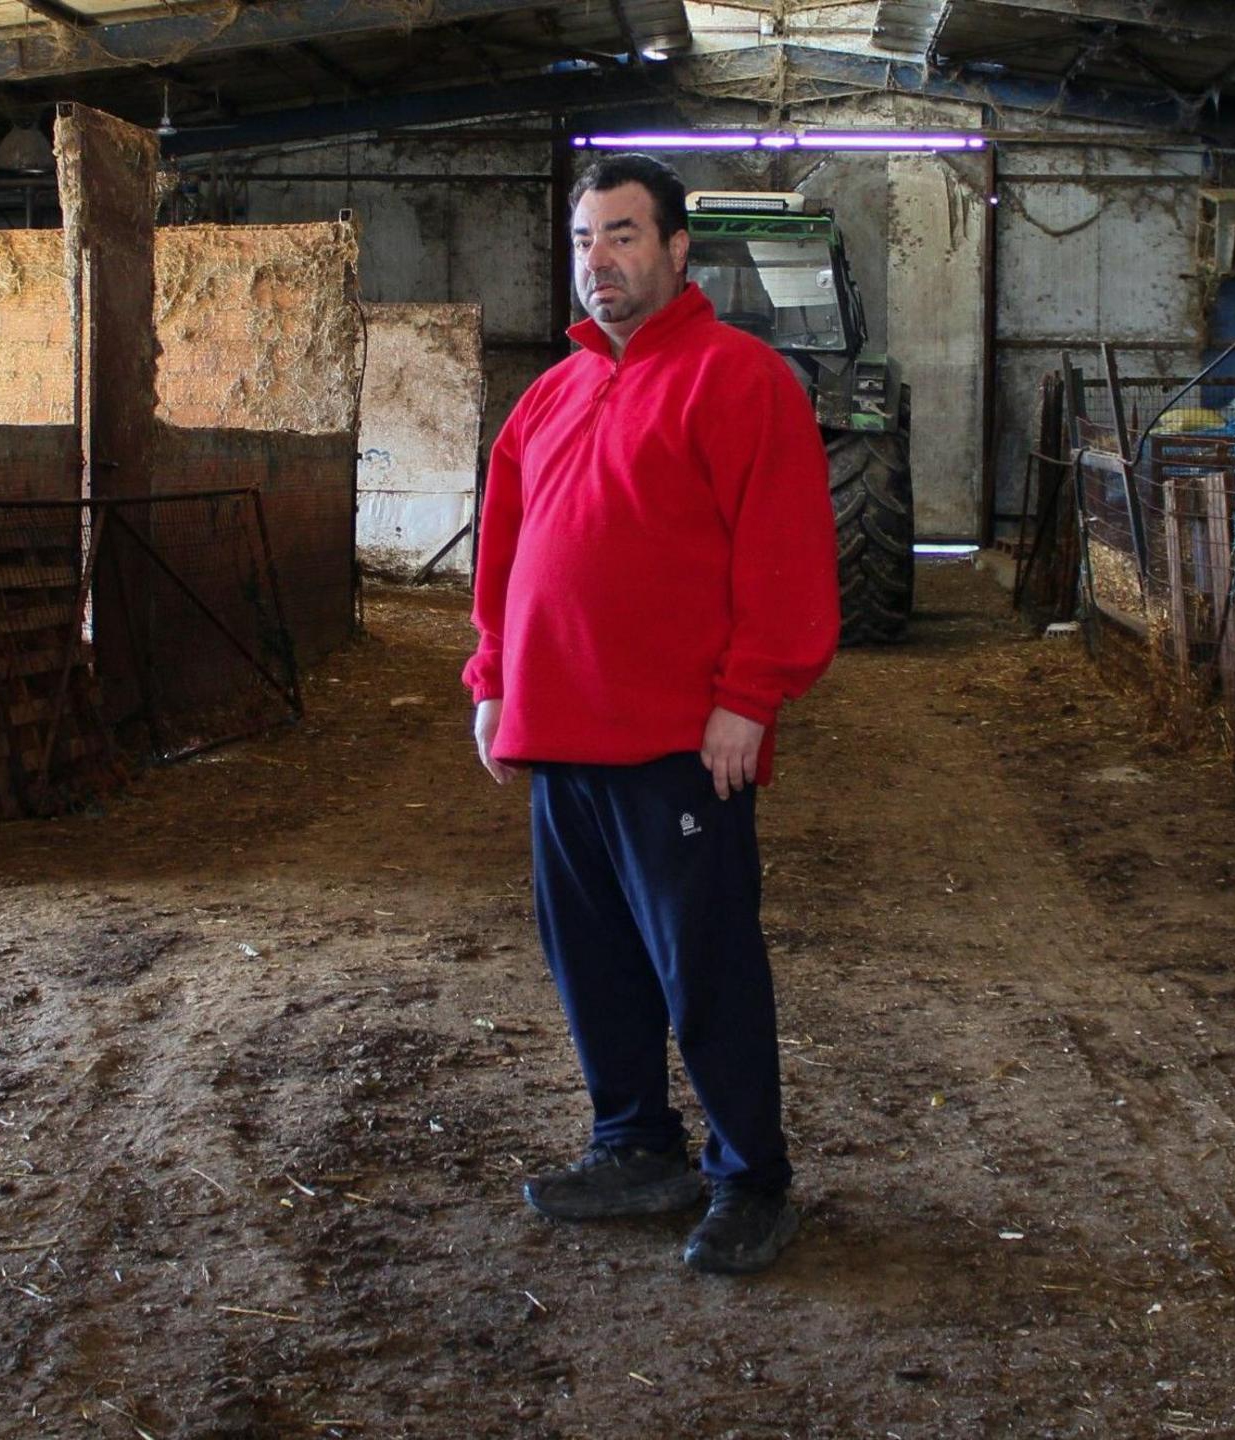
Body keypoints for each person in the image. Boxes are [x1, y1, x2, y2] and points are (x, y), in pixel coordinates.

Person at [463, 153, 840, 1276]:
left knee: (705, 964)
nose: (600, 261)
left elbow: (783, 552)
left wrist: (749, 697)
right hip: (559, 732)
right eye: (585, 240)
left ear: (677, 251)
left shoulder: (740, 379)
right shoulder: (551, 392)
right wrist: (491, 680)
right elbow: (505, 552)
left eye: (623, 236)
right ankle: (635, 1145)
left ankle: (750, 1177)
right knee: (592, 958)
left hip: (682, 742)